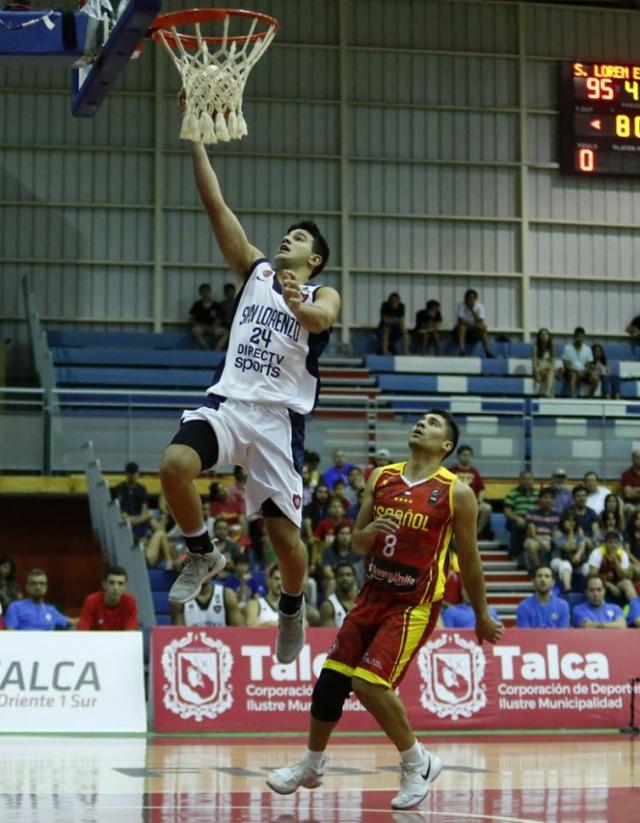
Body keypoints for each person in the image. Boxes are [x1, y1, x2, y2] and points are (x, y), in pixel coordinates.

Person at [266, 409, 503, 810]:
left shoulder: (455, 492)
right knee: (329, 685)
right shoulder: (382, 477)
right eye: (421, 419)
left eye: (432, 423)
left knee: (369, 684)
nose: (421, 424)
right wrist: (367, 534)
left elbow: (472, 561)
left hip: (413, 604)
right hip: (371, 596)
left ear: (446, 446)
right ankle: (311, 765)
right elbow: (357, 543)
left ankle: (417, 763)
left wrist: (481, 614)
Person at [160, 137, 339, 665]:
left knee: (286, 546)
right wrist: (196, 145)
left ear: (316, 258)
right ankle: (201, 552)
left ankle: (290, 605)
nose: (288, 238)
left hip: (278, 424)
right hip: (230, 405)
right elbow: (217, 206)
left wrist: (294, 301)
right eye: (287, 233)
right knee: (174, 465)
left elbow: (321, 320)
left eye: (300, 236)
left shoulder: (323, 293)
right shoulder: (257, 273)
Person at [4, 569, 71, 631]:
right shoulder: (15, 607)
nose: (38, 587)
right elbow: (9, 636)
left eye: (41, 583)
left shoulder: (51, 610)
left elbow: (72, 623)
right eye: (33, 583)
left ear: (46, 587)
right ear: (27, 587)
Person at [449, 444, 492, 538]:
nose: (466, 457)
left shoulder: (474, 472)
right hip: (456, 503)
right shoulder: (452, 471)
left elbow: (481, 489)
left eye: (468, 455)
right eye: (464, 455)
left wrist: (479, 500)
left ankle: (476, 534)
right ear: (458, 456)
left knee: (486, 508)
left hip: (472, 504)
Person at [78, 565, 138, 631]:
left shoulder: (130, 602)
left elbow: (129, 635)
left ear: (125, 587)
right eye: (112, 583)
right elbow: (83, 632)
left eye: (120, 583)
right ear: (104, 584)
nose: (116, 588)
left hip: (119, 641)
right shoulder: (91, 601)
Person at [587, 530, 636, 604]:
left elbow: (625, 576)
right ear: (605, 544)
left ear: (619, 545)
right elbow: (592, 576)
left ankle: (637, 608)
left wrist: (616, 561)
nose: (613, 545)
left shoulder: (623, 554)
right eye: (610, 542)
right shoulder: (597, 553)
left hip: (617, 583)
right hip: (600, 583)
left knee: (628, 583)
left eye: (616, 543)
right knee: (596, 584)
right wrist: (609, 585)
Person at [173, 579, 244, 627]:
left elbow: (239, 631)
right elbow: (178, 636)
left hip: (221, 645)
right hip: (193, 648)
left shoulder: (226, 594)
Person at [503, 470, 538, 563]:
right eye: (524, 479)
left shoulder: (538, 494)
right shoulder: (512, 493)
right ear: (519, 480)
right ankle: (515, 555)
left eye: (529, 479)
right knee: (519, 526)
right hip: (516, 518)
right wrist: (518, 518)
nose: (526, 481)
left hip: (534, 519)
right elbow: (507, 512)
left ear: (533, 480)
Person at [523, 487, 561, 571]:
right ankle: (538, 570)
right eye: (545, 497)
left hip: (550, 538)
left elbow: (557, 532)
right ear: (540, 499)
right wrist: (542, 543)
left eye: (551, 498)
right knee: (530, 545)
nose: (548, 500)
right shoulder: (532, 512)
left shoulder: (558, 515)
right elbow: (531, 533)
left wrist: (551, 540)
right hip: (535, 538)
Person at [113, 462, 152, 543]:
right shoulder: (119, 489)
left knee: (149, 517)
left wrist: (134, 520)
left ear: (138, 474)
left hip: (137, 521)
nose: (132, 476)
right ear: (126, 474)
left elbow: (144, 512)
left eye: (134, 473)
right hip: (124, 523)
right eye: (130, 473)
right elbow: (118, 512)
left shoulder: (142, 489)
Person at [550, 510, 588, 593]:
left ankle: (590, 589)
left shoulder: (578, 531)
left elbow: (582, 545)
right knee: (565, 565)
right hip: (558, 559)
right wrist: (571, 532)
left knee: (587, 567)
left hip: (576, 561)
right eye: (569, 520)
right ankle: (568, 589)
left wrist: (578, 555)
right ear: (563, 521)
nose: (571, 523)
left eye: (573, 520)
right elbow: (567, 548)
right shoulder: (557, 532)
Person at [188, 283, 229, 351]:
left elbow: (219, 318)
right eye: (203, 291)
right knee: (195, 331)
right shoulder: (197, 305)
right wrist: (203, 327)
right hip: (201, 328)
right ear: (200, 293)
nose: (205, 293)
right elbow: (192, 320)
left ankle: (216, 350)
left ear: (210, 292)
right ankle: (206, 349)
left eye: (207, 291)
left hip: (214, 327)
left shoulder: (216, 305)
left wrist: (213, 327)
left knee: (226, 333)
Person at [454, 288, 494, 357]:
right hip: (462, 332)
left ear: (475, 299)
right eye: (469, 298)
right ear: (465, 299)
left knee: (483, 330)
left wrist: (472, 310)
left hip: (474, 332)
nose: (470, 300)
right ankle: (462, 350)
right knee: (462, 327)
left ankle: (487, 351)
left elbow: (480, 321)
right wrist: (474, 325)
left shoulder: (480, 306)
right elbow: (460, 321)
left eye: (472, 298)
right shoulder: (461, 306)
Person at [319, 562, 359, 628]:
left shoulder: (364, 601)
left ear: (354, 577)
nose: (345, 578)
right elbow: (328, 635)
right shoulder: (328, 606)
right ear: (335, 578)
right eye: (341, 575)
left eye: (348, 575)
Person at [561, 326, 598, 398]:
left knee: (595, 378)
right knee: (573, 375)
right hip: (571, 372)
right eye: (578, 337)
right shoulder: (567, 348)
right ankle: (573, 396)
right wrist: (576, 371)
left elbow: (589, 365)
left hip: (583, 372)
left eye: (582, 337)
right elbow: (566, 365)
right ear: (574, 337)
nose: (580, 339)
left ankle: (590, 396)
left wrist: (584, 371)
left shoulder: (588, 349)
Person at [568, 484, 599, 551]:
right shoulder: (567, 511)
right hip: (572, 540)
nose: (581, 498)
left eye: (584, 496)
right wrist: (583, 538)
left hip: (589, 542)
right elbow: (566, 530)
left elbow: (595, 532)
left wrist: (593, 541)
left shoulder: (592, 513)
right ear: (574, 498)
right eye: (578, 496)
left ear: (587, 497)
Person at [532, 327, 557, 397]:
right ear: (539, 337)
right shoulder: (536, 347)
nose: (544, 336)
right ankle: (550, 393)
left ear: (549, 336)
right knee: (551, 372)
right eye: (542, 334)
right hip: (539, 369)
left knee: (551, 371)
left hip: (548, 369)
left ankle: (548, 392)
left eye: (546, 334)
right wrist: (536, 372)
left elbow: (553, 361)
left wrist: (552, 368)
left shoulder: (552, 347)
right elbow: (534, 361)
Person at [620, 449, 640, 519]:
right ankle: (630, 530)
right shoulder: (626, 474)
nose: (639, 460)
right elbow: (628, 494)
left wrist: (634, 489)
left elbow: (631, 492)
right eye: (637, 457)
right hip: (630, 504)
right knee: (630, 509)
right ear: (632, 459)